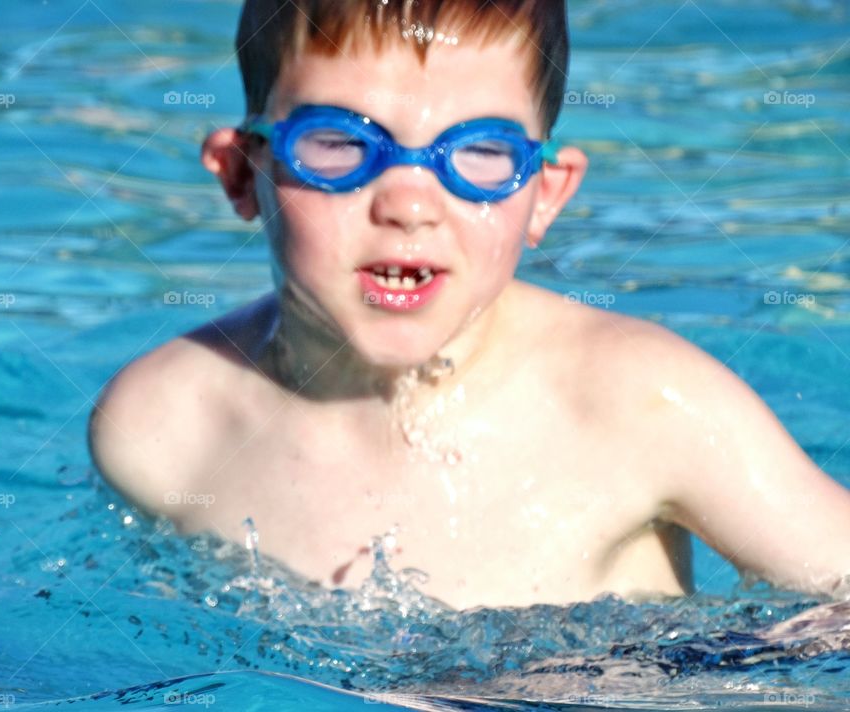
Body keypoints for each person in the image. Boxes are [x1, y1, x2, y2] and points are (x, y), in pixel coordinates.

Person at [88, 0, 850, 610]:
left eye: (480, 153)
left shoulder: (647, 405)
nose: (411, 203)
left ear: (545, 193)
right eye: (340, 144)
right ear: (241, 173)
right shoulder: (159, 429)